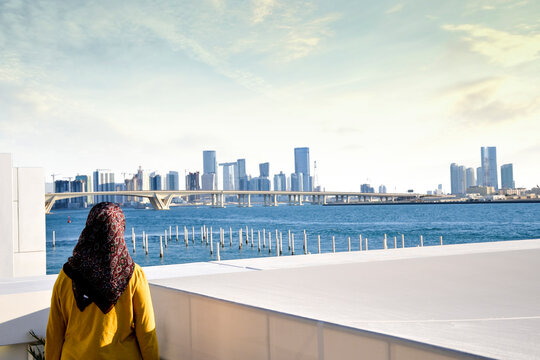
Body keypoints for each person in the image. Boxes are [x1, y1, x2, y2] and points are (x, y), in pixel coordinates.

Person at [45, 202, 159, 359]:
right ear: (120, 229)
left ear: (89, 228)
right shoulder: (133, 274)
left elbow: (54, 333)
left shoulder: (66, 275)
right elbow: (147, 332)